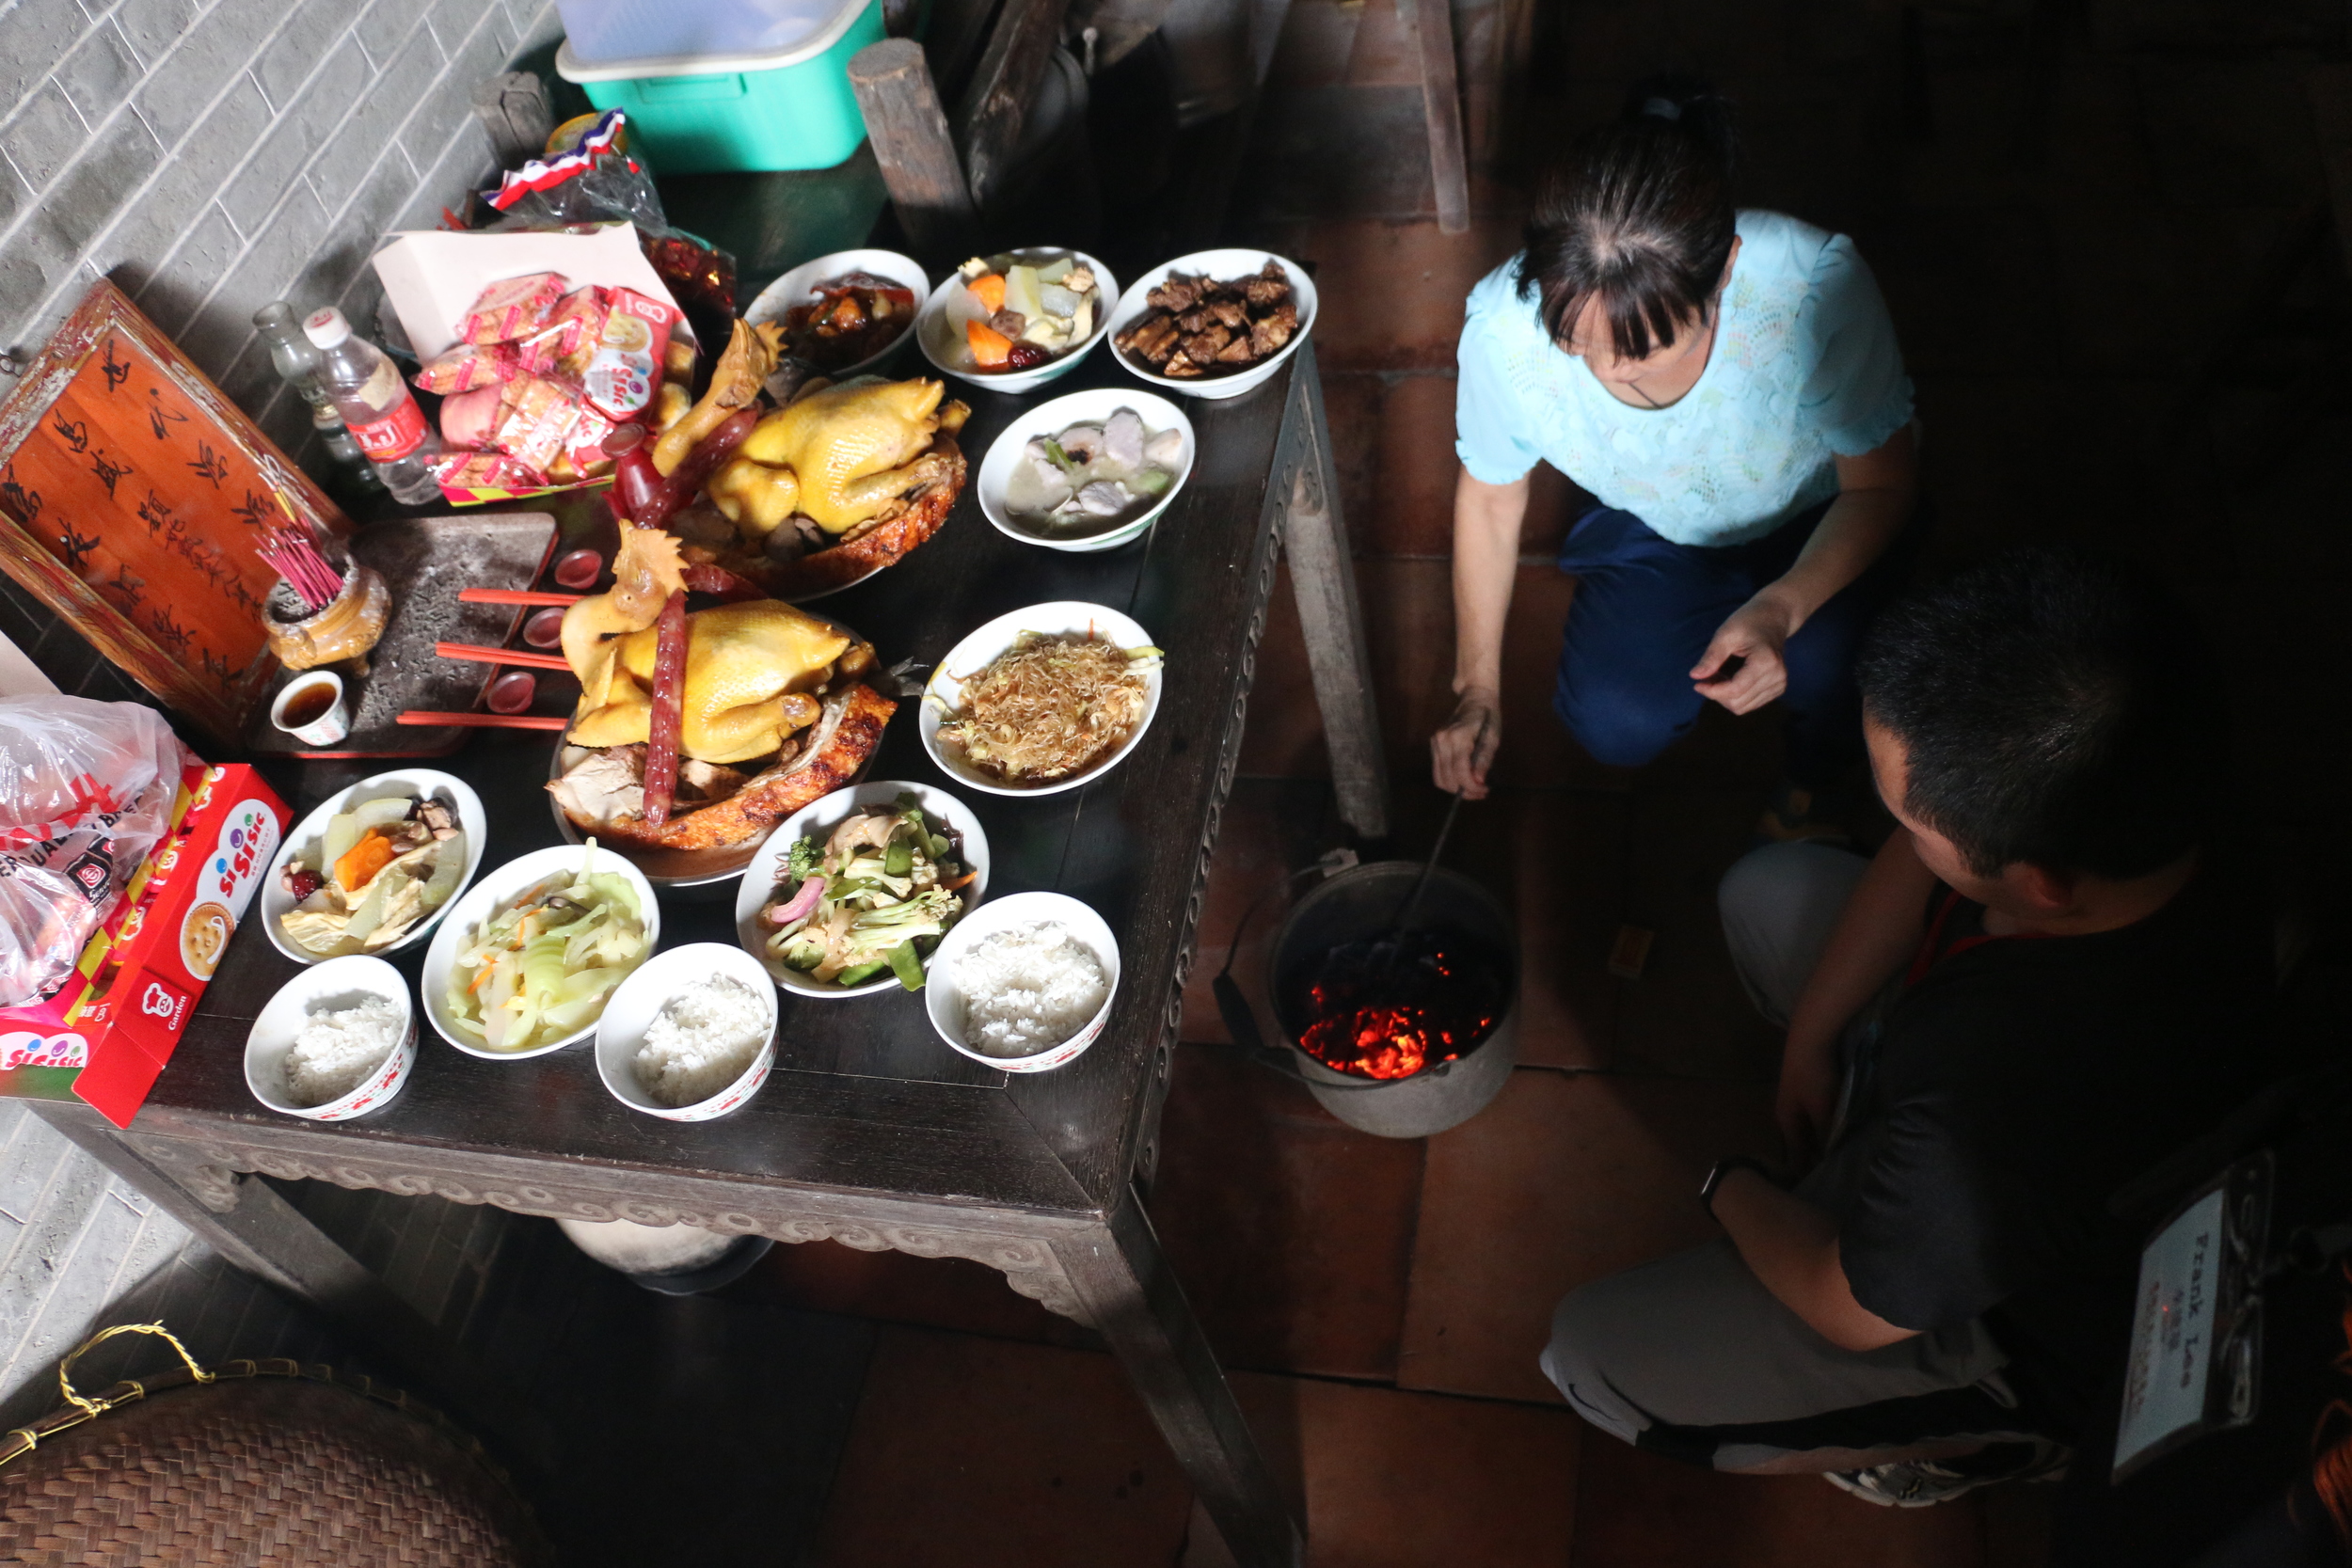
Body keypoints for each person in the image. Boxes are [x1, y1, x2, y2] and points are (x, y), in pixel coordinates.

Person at [1539, 546, 2275, 1505]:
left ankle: (1975, 1438)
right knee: (1769, 890)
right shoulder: (2160, 800)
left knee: (1589, 1355)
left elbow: (1849, 1307)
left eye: (1916, 824)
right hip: (1964, 1081)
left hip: (2006, 1307)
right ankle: (1851, 1103)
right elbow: (1916, 852)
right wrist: (1811, 1034)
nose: (1900, 834)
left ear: (2040, 885)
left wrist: (1733, 1186)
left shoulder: (1997, 1110)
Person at [1432, 79, 1917, 838]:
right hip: (1656, 513)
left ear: (1723, 268)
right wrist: (1477, 687)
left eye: (1647, 346)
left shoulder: (1811, 284)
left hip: (1819, 512)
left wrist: (1781, 606)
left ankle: (1817, 776)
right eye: (1573, 341)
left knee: (1843, 675)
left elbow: (1882, 485)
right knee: (1616, 718)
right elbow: (1492, 496)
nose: (1607, 375)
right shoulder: (1502, 326)